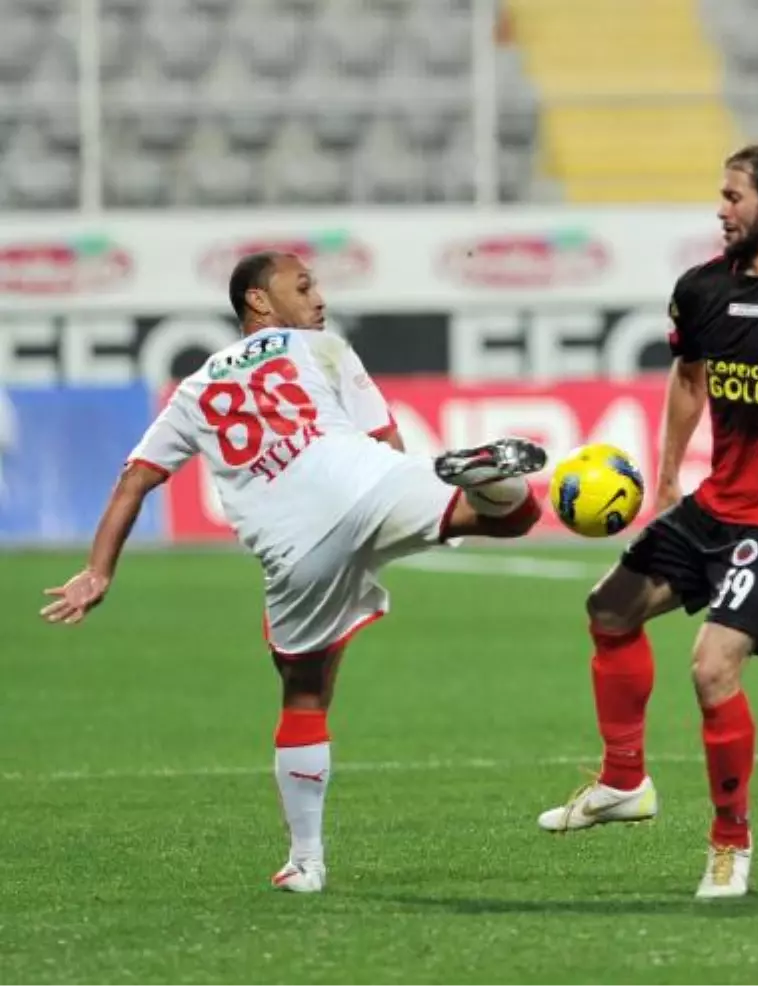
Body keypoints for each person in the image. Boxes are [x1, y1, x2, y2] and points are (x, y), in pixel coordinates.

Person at [39, 251, 547, 893]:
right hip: (367, 481)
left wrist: (97, 570)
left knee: (304, 694)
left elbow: (135, 480)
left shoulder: (193, 390)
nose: (319, 299)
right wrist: (412, 506)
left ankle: (305, 863)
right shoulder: (320, 348)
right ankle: (482, 476)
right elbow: (384, 443)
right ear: (258, 301)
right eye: (302, 286)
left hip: (293, 544)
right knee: (510, 516)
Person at [536, 143, 758, 899]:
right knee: (607, 611)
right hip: (714, 507)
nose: (721, 210)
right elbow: (689, 376)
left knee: (710, 667)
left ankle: (731, 844)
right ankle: (624, 783)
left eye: (734, 197)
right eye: (721, 196)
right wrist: (668, 473)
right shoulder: (699, 289)